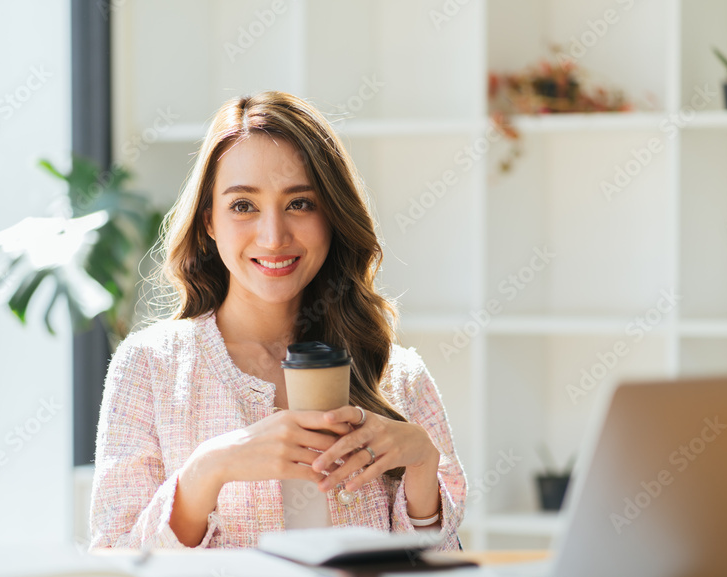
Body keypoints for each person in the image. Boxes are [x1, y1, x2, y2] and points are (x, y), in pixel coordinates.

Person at [88, 91, 466, 550]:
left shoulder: (400, 376)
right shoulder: (149, 369)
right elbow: (116, 565)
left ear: (331, 216)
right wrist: (208, 469)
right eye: (243, 205)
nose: (273, 237)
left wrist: (423, 463)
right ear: (209, 221)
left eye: (300, 203)